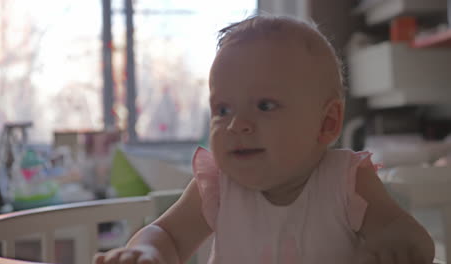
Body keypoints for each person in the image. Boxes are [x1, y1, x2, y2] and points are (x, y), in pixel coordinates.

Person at [93, 15, 435, 264]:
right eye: (222, 109)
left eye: (265, 106)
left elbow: (407, 235)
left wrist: (393, 246)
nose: (236, 125)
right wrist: (146, 252)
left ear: (327, 123)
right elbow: (166, 234)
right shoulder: (216, 185)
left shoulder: (347, 180)